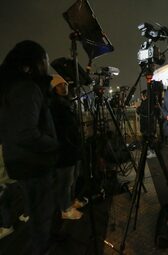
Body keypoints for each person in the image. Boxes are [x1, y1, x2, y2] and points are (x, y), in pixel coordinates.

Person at [0, 40, 58, 254]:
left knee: (36, 216)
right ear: (35, 62)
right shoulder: (27, 88)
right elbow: (26, 133)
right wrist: (53, 144)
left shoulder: (11, 88)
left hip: (21, 163)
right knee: (41, 219)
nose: (47, 65)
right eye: (45, 60)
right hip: (34, 164)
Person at [50, 75, 83, 220]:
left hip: (73, 148)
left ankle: (71, 201)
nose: (64, 87)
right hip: (64, 150)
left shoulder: (67, 103)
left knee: (73, 177)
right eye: (59, 85)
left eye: (65, 85)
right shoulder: (54, 106)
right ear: (53, 89)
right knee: (65, 181)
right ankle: (65, 209)